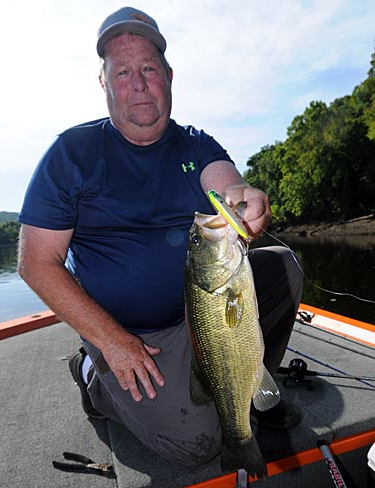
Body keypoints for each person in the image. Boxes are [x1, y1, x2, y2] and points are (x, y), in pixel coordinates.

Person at [17, 6, 303, 468]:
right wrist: (111, 340)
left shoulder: (195, 143)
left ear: (168, 76)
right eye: (123, 71)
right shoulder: (72, 154)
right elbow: (35, 263)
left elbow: (225, 185)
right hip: (128, 333)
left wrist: (242, 198)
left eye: (148, 68)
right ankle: (92, 375)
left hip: (201, 312)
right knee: (195, 446)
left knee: (281, 268)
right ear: (104, 83)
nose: (138, 81)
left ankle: (254, 392)